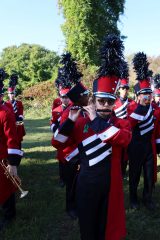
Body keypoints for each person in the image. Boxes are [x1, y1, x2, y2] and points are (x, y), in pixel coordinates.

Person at [53, 35, 132, 240]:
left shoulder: (121, 123)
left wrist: (96, 119)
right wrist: (69, 121)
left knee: (107, 229)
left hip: (111, 186)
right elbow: (58, 143)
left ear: (114, 102)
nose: (105, 106)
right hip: (87, 184)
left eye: (109, 102)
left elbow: (123, 140)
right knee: (88, 229)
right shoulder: (80, 121)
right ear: (94, 100)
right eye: (101, 101)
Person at [128, 52, 160, 210]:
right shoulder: (132, 108)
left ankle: (148, 198)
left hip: (149, 146)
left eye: (149, 93)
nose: (147, 96)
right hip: (135, 145)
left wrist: (158, 144)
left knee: (149, 174)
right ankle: (133, 198)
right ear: (138, 95)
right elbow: (129, 124)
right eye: (144, 94)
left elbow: (158, 128)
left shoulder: (155, 108)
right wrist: (141, 107)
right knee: (134, 173)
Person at [0, 73, 23, 231]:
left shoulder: (5, 112)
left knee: (5, 187)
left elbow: (12, 139)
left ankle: (10, 215)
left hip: (3, 157)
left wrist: (13, 164)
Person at [5, 74, 26, 149]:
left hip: (19, 120)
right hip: (11, 121)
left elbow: (21, 111)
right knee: (11, 135)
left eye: (13, 93)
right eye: (10, 94)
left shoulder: (19, 103)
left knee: (19, 134)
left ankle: (19, 148)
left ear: (15, 93)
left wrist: (20, 117)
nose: (12, 95)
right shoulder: (6, 104)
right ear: (8, 94)